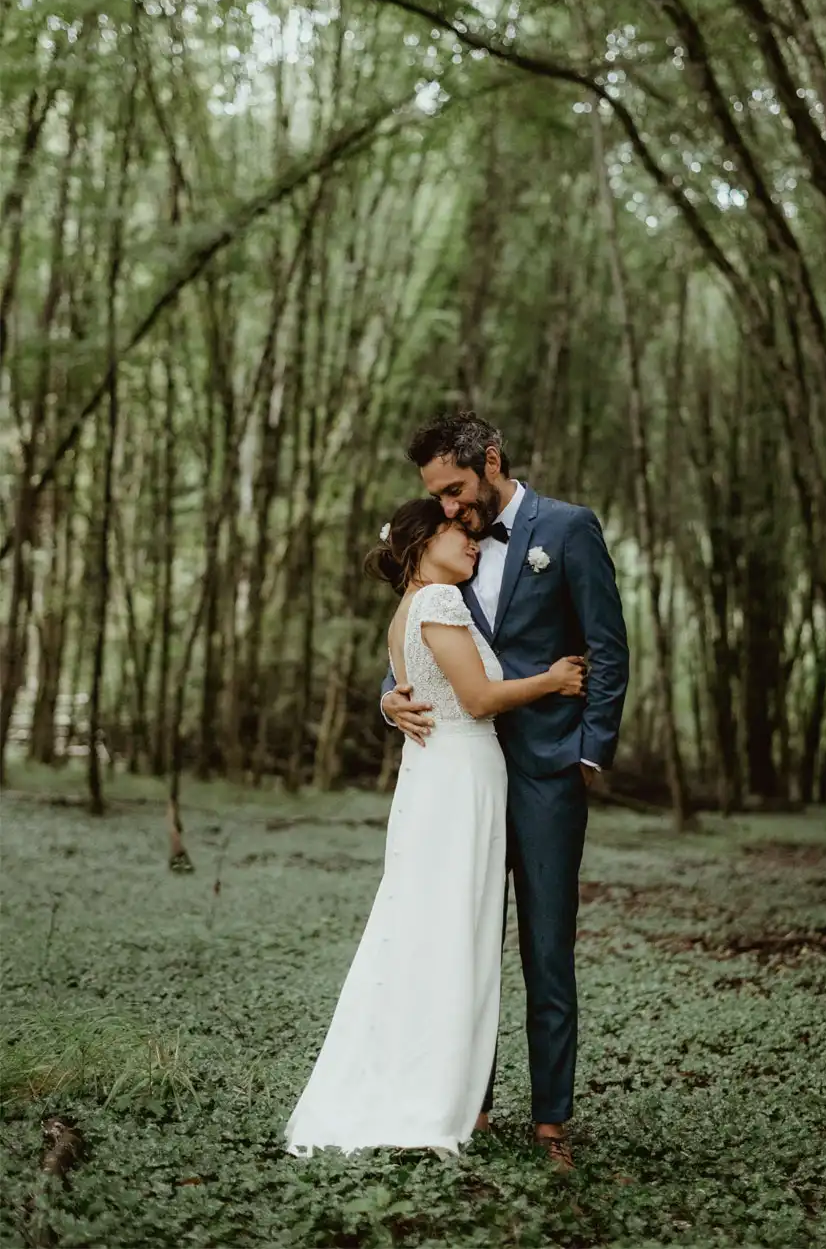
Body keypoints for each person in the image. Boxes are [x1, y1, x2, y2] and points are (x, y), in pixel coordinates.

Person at [284, 498, 585, 1158]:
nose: (473, 543)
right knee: (452, 931)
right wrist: (554, 679)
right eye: (460, 532)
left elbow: (414, 683)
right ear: (423, 541)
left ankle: (437, 1078)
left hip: (437, 775)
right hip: (458, 777)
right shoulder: (441, 603)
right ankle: (436, 1091)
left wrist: (392, 703)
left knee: (430, 928)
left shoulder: (407, 610)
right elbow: (477, 699)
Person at [382, 413, 629, 1171]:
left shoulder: (569, 528)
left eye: (456, 488)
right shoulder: (444, 558)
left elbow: (607, 646)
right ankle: (473, 1104)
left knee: (548, 951)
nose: (451, 508)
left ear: (490, 461)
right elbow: (421, 641)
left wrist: (588, 754)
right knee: (468, 944)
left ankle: (552, 1119)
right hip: (467, 785)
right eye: (438, 496)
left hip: (549, 778)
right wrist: (387, 698)